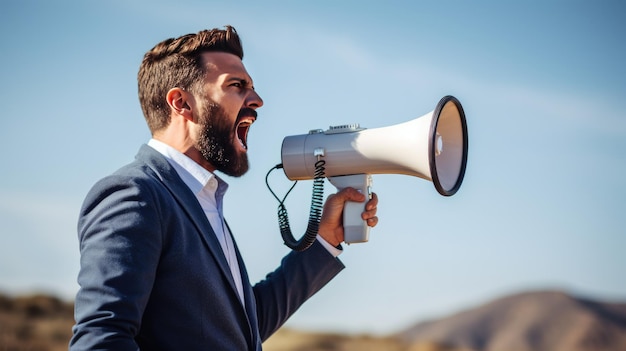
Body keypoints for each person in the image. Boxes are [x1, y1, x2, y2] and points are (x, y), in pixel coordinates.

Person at [69, 25, 379, 350]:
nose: (257, 100)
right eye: (237, 86)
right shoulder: (135, 195)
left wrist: (325, 241)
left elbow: (244, 328)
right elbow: (102, 340)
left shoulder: (201, 199)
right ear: (182, 103)